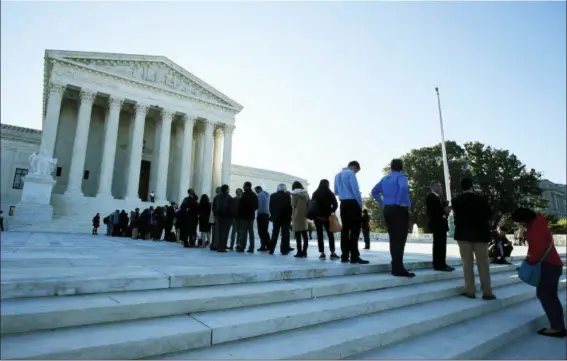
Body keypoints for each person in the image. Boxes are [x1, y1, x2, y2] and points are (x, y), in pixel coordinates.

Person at [511, 207, 565, 338]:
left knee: (547, 296)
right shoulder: (539, 223)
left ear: (524, 220)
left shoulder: (535, 229)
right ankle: (558, 325)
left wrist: (527, 264)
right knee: (549, 295)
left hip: (548, 266)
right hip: (552, 265)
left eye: (520, 222)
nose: (520, 225)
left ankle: (557, 328)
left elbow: (537, 252)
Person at [452, 177, 496, 300]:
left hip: (463, 235)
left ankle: (469, 290)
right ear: (471, 186)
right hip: (480, 235)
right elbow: (489, 215)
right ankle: (487, 291)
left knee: (467, 263)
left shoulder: (456, 201)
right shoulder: (481, 200)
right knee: (483, 264)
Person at [372, 159, 413, 277]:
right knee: (400, 238)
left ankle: (395, 265)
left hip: (388, 209)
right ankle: (398, 268)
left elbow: (374, 191)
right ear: (401, 166)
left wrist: (382, 202)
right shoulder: (401, 177)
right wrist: (399, 201)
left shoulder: (385, 179)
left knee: (393, 237)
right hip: (399, 209)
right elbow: (404, 188)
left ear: (391, 167)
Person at [334, 161, 369, 265]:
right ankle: (354, 257)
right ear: (354, 167)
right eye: (356, 171)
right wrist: (360, 204)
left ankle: (344, 256)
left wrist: (344, 191)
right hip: (352, 204)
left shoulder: (337, 175)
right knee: (355, 231)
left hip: (343, 204)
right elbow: (356, 190)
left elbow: (336, 191)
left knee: (345, 230)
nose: (356, 173)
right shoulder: (350, 173)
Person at [426, 181, 454, 272]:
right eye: (439, 186)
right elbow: (433, 212)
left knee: (442, 245)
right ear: (433, 187)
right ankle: (438, 264)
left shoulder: (439, 197)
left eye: (441, 186)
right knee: (438, 245)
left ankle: (442, 262)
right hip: (437, 225)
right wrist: (444, 212)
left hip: (442, 224)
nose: (441, 188)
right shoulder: (431, 197)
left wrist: (446, 209)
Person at [311, 179, 340, 260]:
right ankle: (332, 252)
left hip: (317, 217)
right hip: (327, 217)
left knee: (319, 235)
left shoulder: (315, 193)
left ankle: (322, 253)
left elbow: (312, 204)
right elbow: (335, 204)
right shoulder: (330, 193)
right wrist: (331, 210)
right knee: (330, 235)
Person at [268, 184, 294, 255]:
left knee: (274, 234)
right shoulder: (287, 196)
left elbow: (271, 207)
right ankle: (284, 250)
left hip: (276, 218)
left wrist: (273, 215)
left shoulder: (272, 195)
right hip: (285, 218)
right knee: (285, 234)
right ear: (284, 189)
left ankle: (271, 249)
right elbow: (290, 208)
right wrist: (290, 217)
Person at [236, 182, 258, 253]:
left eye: (244, 186)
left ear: (247, 187)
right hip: (251, 216)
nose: (243, 187)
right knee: (251, 232)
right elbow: (256, 206)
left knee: (243, 232)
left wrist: (239, 214)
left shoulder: (244, 195)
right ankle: (251, 247)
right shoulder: (254, 195)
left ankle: (242, 247)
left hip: (243, 217)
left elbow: (240, 206)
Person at [291, 181, 310, 258]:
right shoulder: (306, 193)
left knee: (298, 235)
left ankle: (299, 252)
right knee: (305, 236)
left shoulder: (294, 194)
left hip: (297, 216)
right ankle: (304, 252)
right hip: (305, 216)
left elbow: (293, 204)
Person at [213, 184, 234, 252]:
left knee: (219, 232)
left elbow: (214, 207)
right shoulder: (228, 197)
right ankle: (222, 247)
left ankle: (219, 246)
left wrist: (216, 214)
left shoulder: (217, 197)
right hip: (226, 217)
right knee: (225, 232)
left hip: (219, 216)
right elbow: (230, 207)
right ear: (226, 189)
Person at [255, 185, 271, 251]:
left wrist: (258, 212)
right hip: (267, 214)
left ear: (259, 189)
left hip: (261, 214)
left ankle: (263, 246)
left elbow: (259, 205)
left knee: (261, 231)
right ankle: (269, 246)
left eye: (256, 190)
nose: (256, 192)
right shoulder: (267, 195)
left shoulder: (260, 195)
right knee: (265, 231)